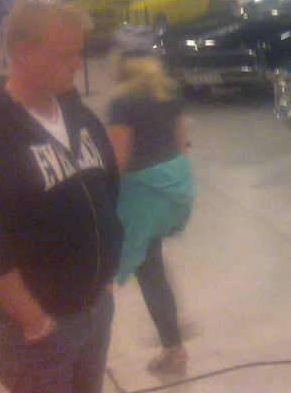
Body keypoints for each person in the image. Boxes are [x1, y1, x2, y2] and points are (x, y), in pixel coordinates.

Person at [0, 0, 122, 393]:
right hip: (38, 335)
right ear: (23, 52)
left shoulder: (77, 114)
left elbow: (108, 187)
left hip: (94, 311)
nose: (78, 64)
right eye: (66, 55)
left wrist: (105, 280)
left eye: (79, 52)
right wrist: (36, 322)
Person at [107, 51, 195, 377]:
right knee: (151, 267)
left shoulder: (122, 103)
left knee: (104, 268)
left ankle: (84, 353)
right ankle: (173, 345)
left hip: (142, 194)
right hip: (173, 189)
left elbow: (117, 160)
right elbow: (182, 145)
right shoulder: (170, 94)